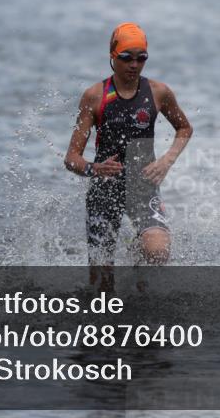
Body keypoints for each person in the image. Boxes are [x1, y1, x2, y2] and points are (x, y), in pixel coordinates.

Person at [64, 22, 193, 292]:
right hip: (103, 190)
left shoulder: (158, 93)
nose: (134, 65)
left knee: (157, 252)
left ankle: (136, 256)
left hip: (142, 187)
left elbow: (184, 128)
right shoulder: (94, 96)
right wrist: (93, 168)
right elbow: (72, 158)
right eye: (126, 57)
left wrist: (167, 160)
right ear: (112, 56)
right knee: (101, 287)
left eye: (141, 58)